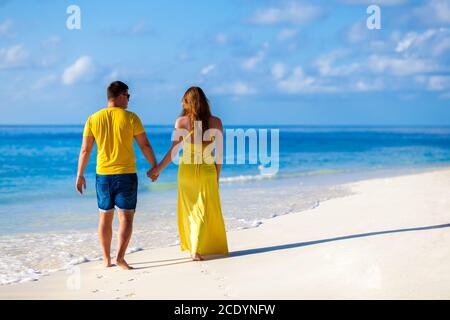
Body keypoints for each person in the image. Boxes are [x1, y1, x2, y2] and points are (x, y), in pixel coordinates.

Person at [76, 81, 157, 270]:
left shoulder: (93, 119)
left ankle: (106, 260)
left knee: (105, 218)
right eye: (128, 96)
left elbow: (85, 150)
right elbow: (144, 145)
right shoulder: (131, 117)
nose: (129, 100)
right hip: (126, 175)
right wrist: (154, 166)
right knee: (126, 218)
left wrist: (80, 175)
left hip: (102, 175)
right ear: (120, 95)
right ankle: (120, 258)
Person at [148, 86, 228, 261]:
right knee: (202, 209)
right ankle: (196, 249)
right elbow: (220, 155)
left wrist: (157, 170)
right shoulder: (216, 122)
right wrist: (217, 176)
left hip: (186, 172)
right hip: (207, 171)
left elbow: (173, 152)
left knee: (191, 210)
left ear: (188, 102)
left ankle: (194, 248)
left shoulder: (181, 122)